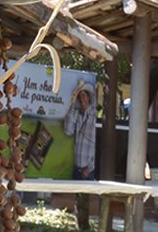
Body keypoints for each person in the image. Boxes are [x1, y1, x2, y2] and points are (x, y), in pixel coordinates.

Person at [64, 80, 97, 230]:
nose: (82, 98)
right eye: (80, 96)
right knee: (78, 200)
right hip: (77, 165)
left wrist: (90, 167)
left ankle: (85, 226)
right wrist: (73, 106)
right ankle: (80, 226)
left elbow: (98, 143)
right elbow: (68, 130)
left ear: (89, 97)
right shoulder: (77, 115)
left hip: (88, 167)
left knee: (86, 200)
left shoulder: (94, 115)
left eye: (84, 95)